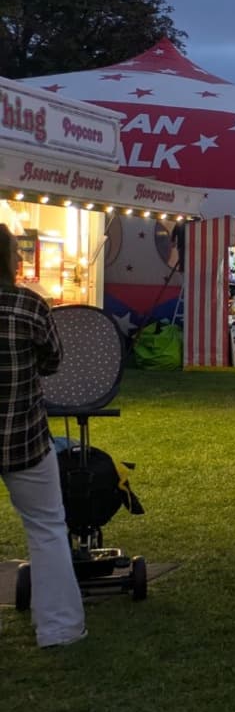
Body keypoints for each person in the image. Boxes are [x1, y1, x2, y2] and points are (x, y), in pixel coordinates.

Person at [0, 227, 86, 647]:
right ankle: (59, 628)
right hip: (24, 438)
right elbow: (53, 360)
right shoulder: (29, 305)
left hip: (23, 436)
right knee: (47, 528)